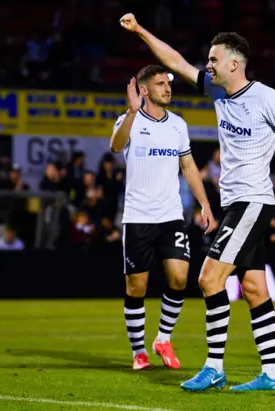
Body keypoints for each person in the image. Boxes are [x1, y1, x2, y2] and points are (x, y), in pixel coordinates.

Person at [120, 13, 275, 392]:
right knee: (256, 290)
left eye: (213, 59)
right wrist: (141, 31)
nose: (207, 65)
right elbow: (174, 62)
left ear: (233, 63)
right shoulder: (217, 92)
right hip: (235, 205)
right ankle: (272, 375)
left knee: (208, 278)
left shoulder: (266, 98)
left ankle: (214, 367)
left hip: (253, 202)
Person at [110, 64, 217, 371]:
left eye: (168, 84)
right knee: (136, 288)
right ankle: (138, 352)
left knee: (180, 277)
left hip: (171, 216)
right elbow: (116, 146)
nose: (167, 88)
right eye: (159, 84)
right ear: (144, 90)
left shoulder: (178, 126)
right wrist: (131, 112)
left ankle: (163, 338)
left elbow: (189, 167)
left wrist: (205, 205)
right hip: (138, 218)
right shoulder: (128, 120)